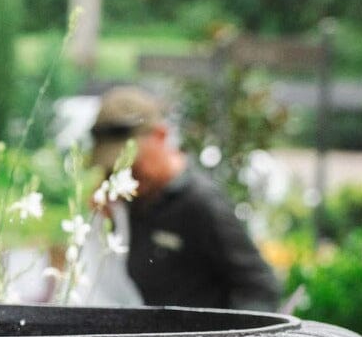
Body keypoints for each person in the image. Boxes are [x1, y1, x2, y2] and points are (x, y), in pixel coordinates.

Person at [89, 86, 281, 312]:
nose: (124, 177)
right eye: (114, 170)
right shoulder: (132, 202)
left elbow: (260, 286)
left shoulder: (201, 204)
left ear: (161, 136)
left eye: (133, 165)